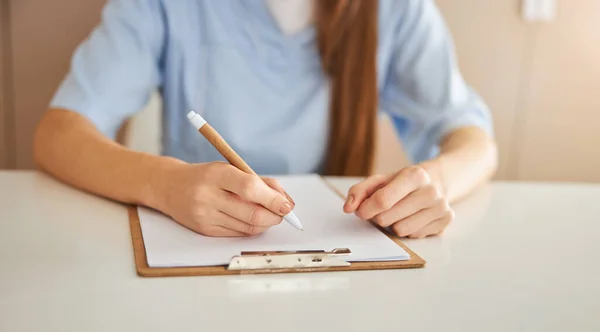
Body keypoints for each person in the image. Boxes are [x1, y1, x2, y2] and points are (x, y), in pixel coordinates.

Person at [33, 0, 497, 239]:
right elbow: (59, 133)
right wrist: (165, 184)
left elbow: (474, 140)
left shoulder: (395, 9)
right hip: (196, 261)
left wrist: (436, 182)